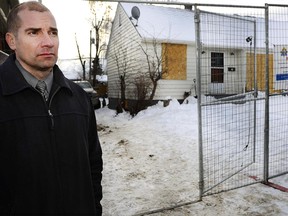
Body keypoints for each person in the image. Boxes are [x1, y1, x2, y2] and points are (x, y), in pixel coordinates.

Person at [0, 1, 103, 215]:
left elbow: (93, 164)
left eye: (53, 32)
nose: (48, 42)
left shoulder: (79, 98)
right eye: (34, 32)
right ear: (12, 41)